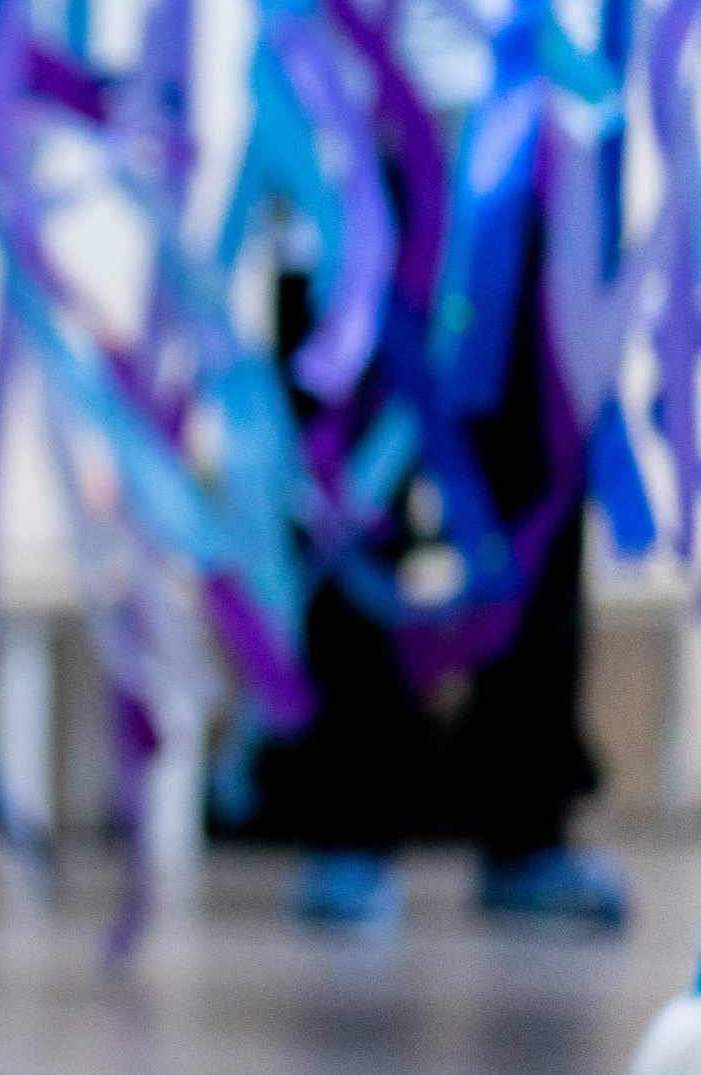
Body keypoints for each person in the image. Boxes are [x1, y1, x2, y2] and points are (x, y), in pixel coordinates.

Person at [266, 222, 626, 931]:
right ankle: (347, 820)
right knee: (341, 488)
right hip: (341, 201)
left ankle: (529, 818)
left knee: (537, 471)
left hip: (525, 198)